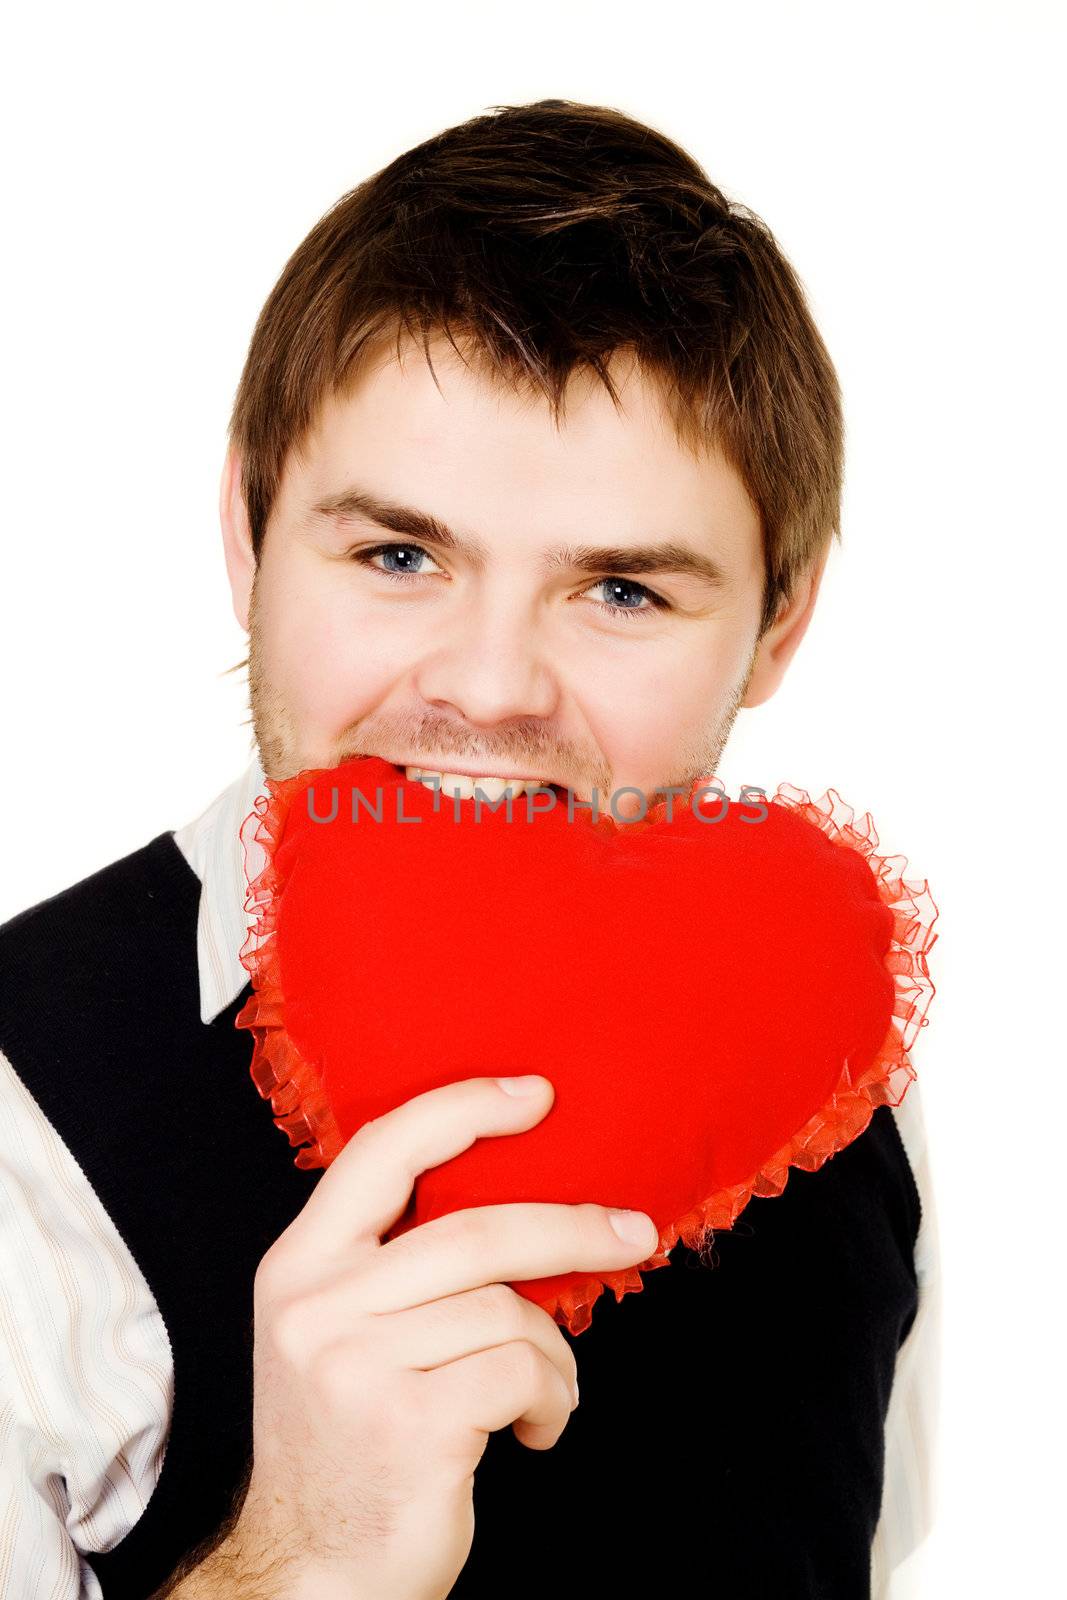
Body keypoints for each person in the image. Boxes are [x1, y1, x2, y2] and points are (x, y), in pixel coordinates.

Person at [0, 97, 940, 1599]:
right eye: (398, 555)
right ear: (247, 536)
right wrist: (298, 1561)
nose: (490, 687)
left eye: (623, 591)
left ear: (779, 624)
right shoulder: (21, 1125)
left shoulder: (835, 1085)